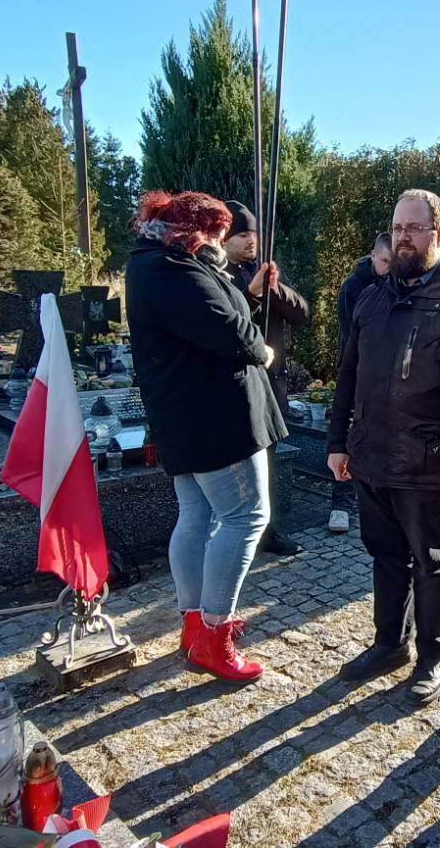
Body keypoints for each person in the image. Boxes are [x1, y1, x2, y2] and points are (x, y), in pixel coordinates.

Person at [326, 191, 440, 704]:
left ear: (439, 235)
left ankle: (432, 658)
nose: (403, 238)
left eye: (414, 228)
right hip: (371, 456)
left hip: (426, 462)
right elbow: (348, 375)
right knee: (386, 557)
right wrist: (338, 441)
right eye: (396, 228)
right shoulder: (371, 299)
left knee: (431, 563)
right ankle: (389, 644)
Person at [126, 191, 284, 683]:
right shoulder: (173, 269)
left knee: (196, 515)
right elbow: (228, 330)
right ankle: (214, 636)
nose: (219, 243)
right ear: (194, 231)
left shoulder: (154, 262)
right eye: (216, 234)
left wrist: (247, 293)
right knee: (245, 516)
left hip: (185, 415)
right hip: (215, 416)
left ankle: (194, 625)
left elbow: (210, 313)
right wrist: (262, 351)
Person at [224, 199, 310, 556]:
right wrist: (253, 293)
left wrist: (275, 287)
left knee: (269, 460)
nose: (250, 240)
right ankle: (238, 528)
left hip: (272, 382)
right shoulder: (219, 274)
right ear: (224, 239)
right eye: (241, 234)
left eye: (254, 233)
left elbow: (301, 313)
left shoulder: (263, 270)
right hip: (238, 385)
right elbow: (230, 325)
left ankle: (268, 531)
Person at [327, 232, 394, 534]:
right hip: (356, 369)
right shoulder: (354, 287)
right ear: (373, 256)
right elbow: (354, 335)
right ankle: (340, 502)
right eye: (385, 262)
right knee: (349, 431)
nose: (390, 269)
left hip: (389, 374)